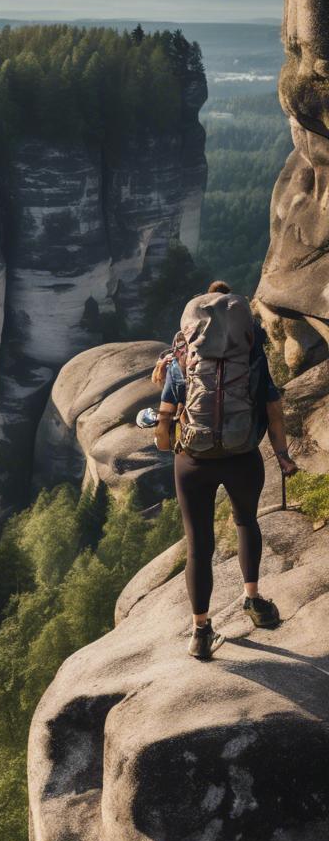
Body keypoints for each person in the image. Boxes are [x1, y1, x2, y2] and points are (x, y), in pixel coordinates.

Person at [152, 281, 298, 660]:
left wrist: (167, 445)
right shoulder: (251, 356)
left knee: (199, 545)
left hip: (193, 462)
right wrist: (281, 454)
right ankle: (253, 602)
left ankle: (201, 631)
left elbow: (165, 418)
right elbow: (274, 410)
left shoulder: (185, 358)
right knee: (246, 522)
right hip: (242, 456)